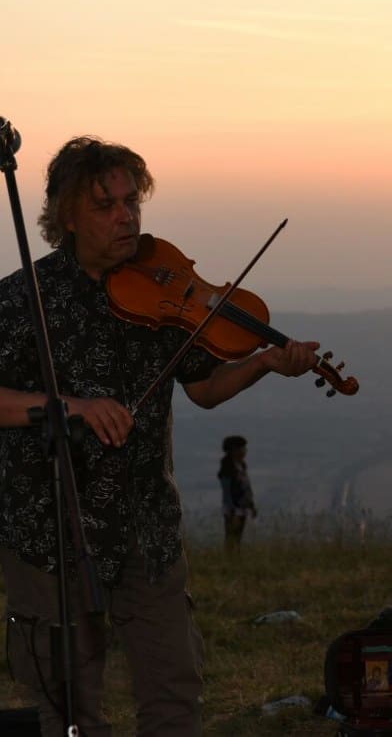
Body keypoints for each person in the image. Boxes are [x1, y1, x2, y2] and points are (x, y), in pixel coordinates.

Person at [0, 136, 320, 736]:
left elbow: (203, 386)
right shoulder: (24, 300)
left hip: (146, 525)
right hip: (50, 532)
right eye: (105, 205)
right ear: (67, 215)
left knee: (175, 693)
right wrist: (71, 406)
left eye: (132, 202)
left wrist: (262, 363)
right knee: (67, 709)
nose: (126, 217)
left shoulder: (158, 287)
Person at [217, 434, 257, 553]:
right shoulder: (227, 468)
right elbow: (227, 492)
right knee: (231, 536)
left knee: (238, 537)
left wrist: (251, 504)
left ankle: (235, 557)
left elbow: (247, 488)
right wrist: (232, 511)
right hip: (233, 509)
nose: (245, 451)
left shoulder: (242, 466)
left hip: (242, 507)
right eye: (242, 448)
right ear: (234, 450)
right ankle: (229, 558)